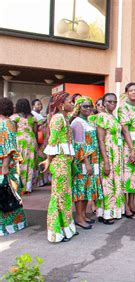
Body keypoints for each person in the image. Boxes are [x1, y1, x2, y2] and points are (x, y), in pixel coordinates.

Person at [39, 92, 77, 243]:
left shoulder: (64, 118)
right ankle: (55, 233)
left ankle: (66, 229)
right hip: (60, 162)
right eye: (70, 101)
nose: (72, 104)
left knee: (65, 196)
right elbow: (52, 141)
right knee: (58, 197)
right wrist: (48, 161)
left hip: (65, 162)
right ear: (62, 104)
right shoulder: (57, 119)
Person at [70, 96, 103, 230]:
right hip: (83, 161)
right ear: (78, 107)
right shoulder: (77, 122)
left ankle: (83, 215)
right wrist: (86, 162)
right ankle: (79, 217)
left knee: (86, 190)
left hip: (92, 160)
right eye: (85, 106)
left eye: (90, 106)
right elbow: (79, 145)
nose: (88, 108)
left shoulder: (87, 121)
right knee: (81, 190)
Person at [95, 93, 124, 224]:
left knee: (115, 183)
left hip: (117, 154)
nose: (112, 104)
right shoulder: (101, 117)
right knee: (107, 184)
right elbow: (100, 140)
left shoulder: (114, 117)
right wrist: (106, 161)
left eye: (114, 102)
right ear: (104, 103)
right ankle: (106, 214)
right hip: (107, 154)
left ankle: (113, 211)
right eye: (109, 102)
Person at [0, 97, 27, 236]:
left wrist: (5, 166)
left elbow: (9, 146)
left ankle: (10, 225)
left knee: (8, 194)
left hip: (6, 165)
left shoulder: (8, 123)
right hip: (5, 164)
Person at [117, 82, 135, 218]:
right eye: (131, 90)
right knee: (127, 175)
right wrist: (132, 150)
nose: (133, 92)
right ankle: (126, 206)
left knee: (134, 176)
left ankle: (132, 204)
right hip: (128, 145)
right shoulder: (123, 108)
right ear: (126, 93)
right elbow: (125, 130)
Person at [10, 99, 38, 194]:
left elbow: (12, 131)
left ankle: (19, 187)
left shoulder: (14, 117)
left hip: (20, 142)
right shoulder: (33, 118)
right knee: (30, 164)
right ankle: (28, 187)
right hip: (31, 141)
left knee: (20, 163)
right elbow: (35, 131)